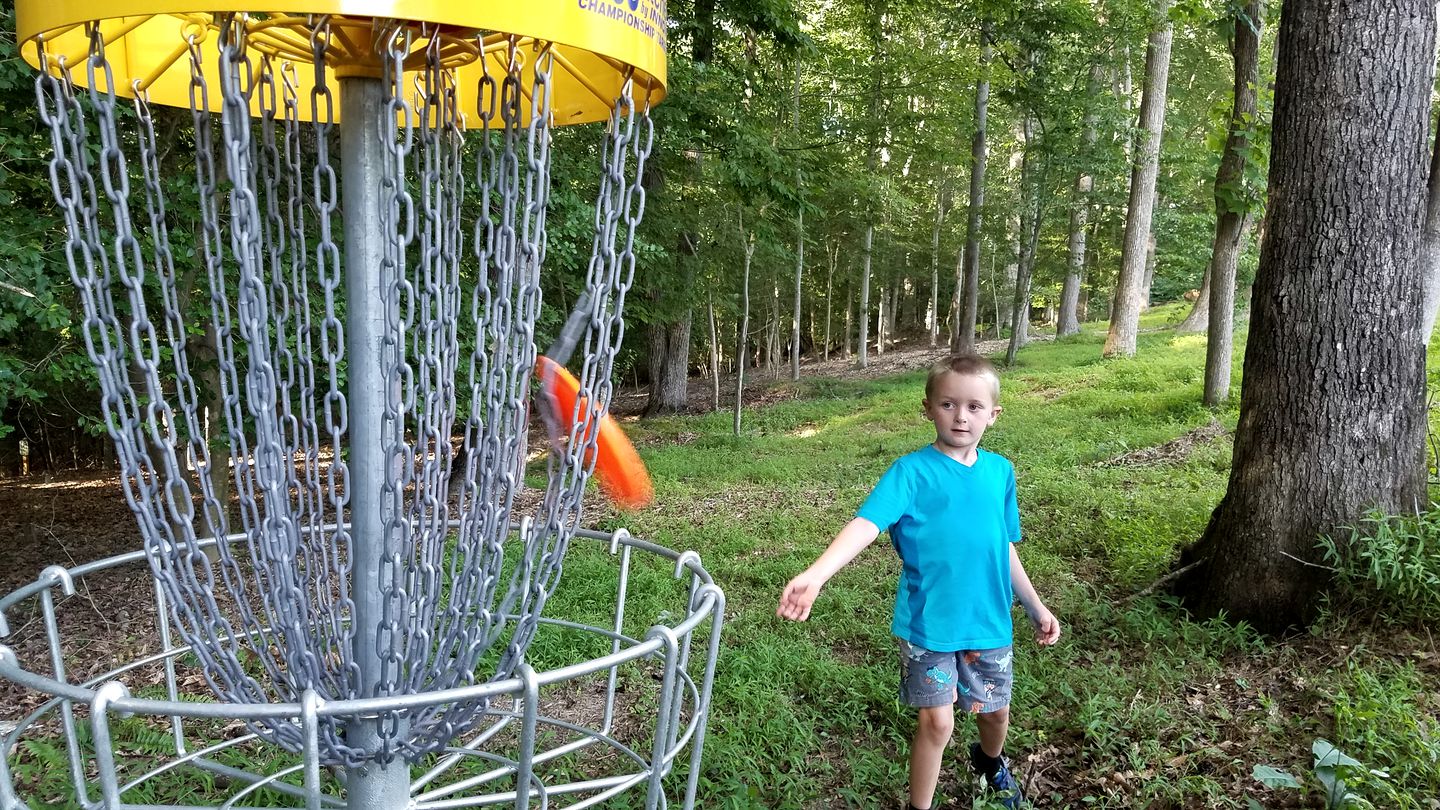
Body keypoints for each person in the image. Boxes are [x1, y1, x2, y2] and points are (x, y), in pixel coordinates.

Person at [777, 353, 1060, 810]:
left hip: (988, 621)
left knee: (995, 712)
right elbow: (866, 524)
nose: (960, 416)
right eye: (948, 404)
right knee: (938, 724)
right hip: (929, 624)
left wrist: (1035, 605)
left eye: (973, 406)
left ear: (994, 414)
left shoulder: (1000, 473)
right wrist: (816, 574)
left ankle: (989, 762)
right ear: (927, 407)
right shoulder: (910, 473)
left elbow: (1004, 546)